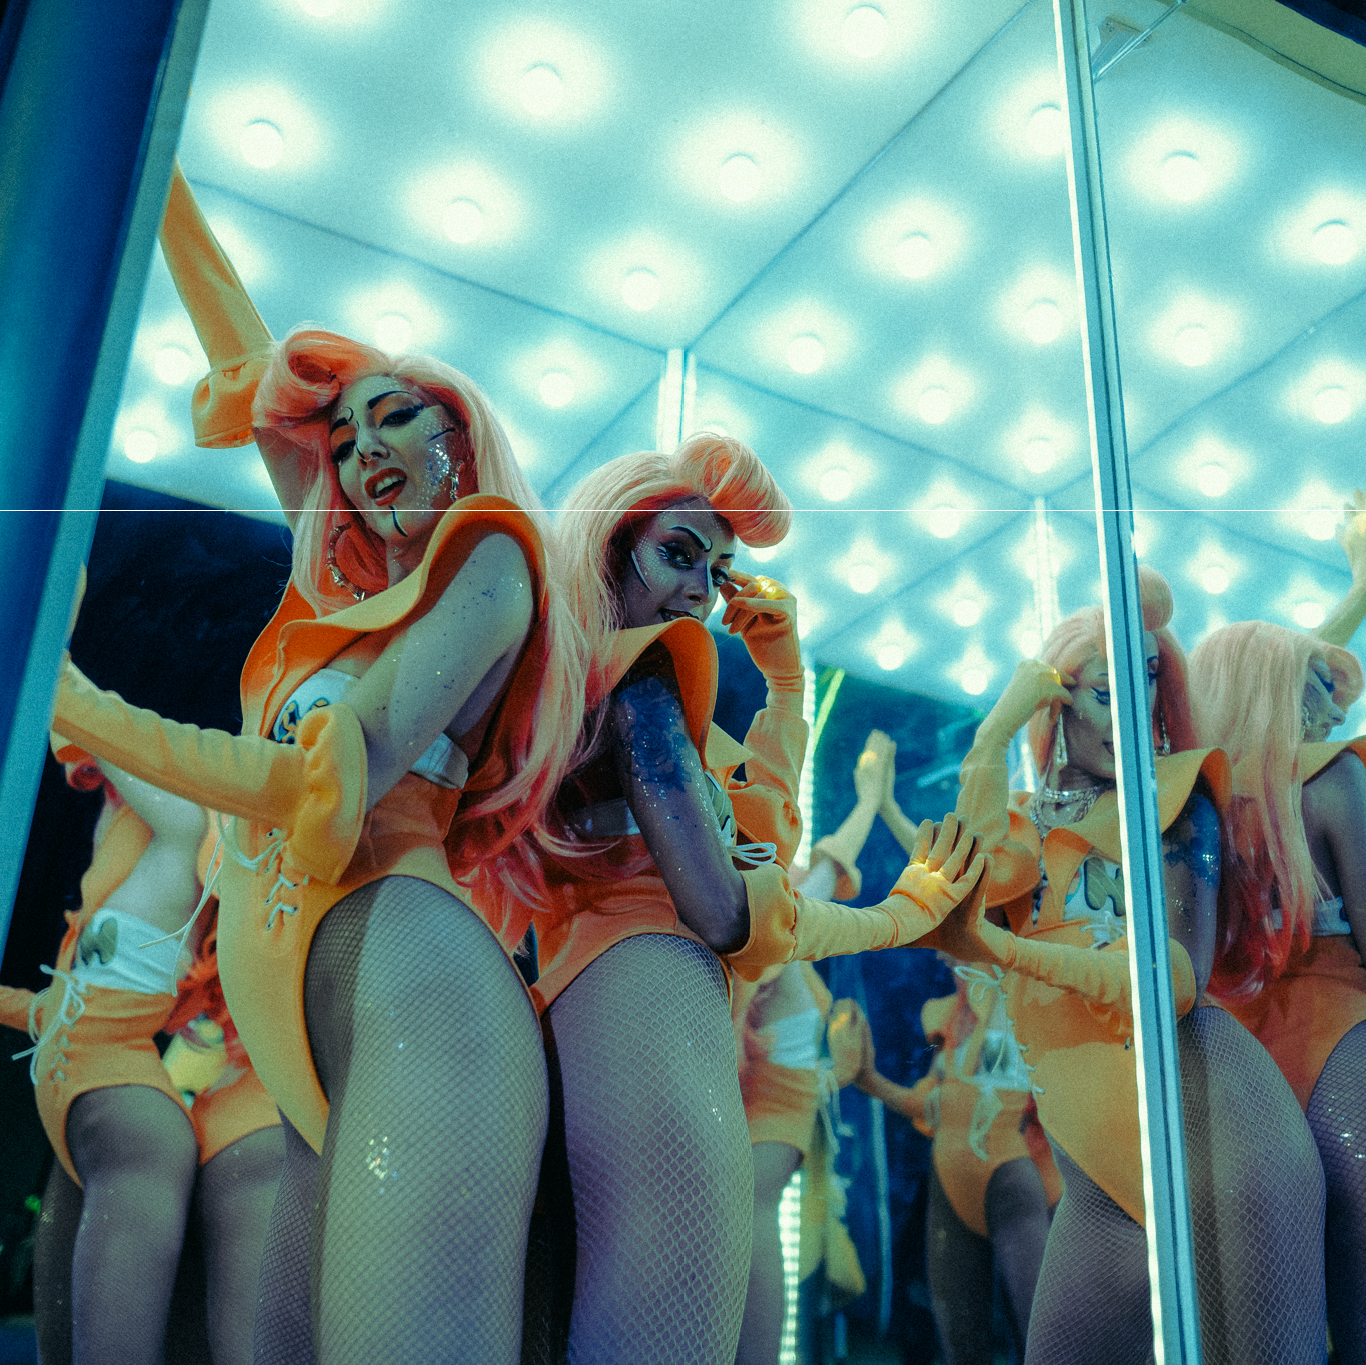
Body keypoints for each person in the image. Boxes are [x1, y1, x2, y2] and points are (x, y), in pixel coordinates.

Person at [48, 164, 586, 1364]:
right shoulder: (331, 604)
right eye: (344, 437)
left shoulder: (486, 557)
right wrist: (155, 174)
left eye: (398, 416)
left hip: (412, 990)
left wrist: (80, 705)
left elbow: (321, 788)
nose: (361, 446)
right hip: (302, 1034)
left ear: (461, 436)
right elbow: (252, 371)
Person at [522, 437, 986, 1363]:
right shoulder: (640, 679)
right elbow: (732, 911)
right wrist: (901, 915)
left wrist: (786, 684)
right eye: (677, 552)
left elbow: (759, 838)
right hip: (652, 1020)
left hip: (623, 1022)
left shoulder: (598, 690)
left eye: (719, 569)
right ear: (609, 543)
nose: (701, 591)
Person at [929, 567, 1326, 1365]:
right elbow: (955, 890)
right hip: (1096, 1175)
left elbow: (1175, 979)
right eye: (1108, 692)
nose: (1134, 712)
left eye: (1149, 686)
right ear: (1057, 700)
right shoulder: (1020, 827)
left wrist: (1011, 951)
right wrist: (995, 731)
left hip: (1217, 1131)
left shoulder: (1177, 797)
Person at [17, 741, 281, 1365]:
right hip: (125, 1109)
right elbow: (58, 1012)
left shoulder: (178, 842)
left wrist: (75, 713)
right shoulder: (130, 898)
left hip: (145, 1115)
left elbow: (167, 792)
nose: (105, 808)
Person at [1190, 621, 1366, 1364]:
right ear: (1276, 687)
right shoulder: (1332, 776)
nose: (1337, 707)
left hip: (1235, 1067)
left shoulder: (1193, 806)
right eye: (1320, 683)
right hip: (1342, 1044)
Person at [732, 731, 894, 1365]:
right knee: (738, 1221)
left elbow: (831, 865)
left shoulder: (777, 902)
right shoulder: (739, 891)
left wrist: (872, 800)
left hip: (778, 1095)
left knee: (752, 1213)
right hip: (747, 1088)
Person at [854, 961, 1053, 1365]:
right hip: (950, 1186)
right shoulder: (952, 1017)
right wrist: (868, 1078)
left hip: (1013, 1182)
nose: (944, 958)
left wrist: (997, 984)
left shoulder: (1013, 998)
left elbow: (991, 1093)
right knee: (962, 1349)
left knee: (1040, 1341)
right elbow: (928, 1105)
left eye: (953, 948)